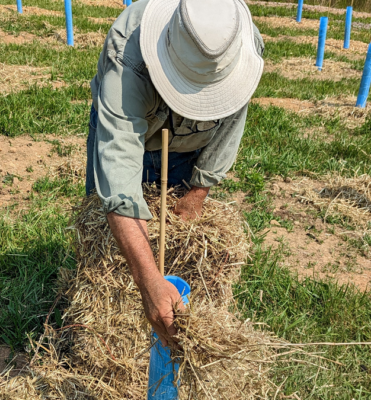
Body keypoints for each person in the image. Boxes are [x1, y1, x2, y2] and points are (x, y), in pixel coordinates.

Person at [86, 0, 264, 347]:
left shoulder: (240, 45)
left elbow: (232, 122)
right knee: (108, 248)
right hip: (131, 133)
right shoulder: (128, 58)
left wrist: (198, 190)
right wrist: (147, 279)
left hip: (191, 143)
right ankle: (109, 339)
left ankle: (172, 329)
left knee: (184, 254)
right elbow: (119, 179)